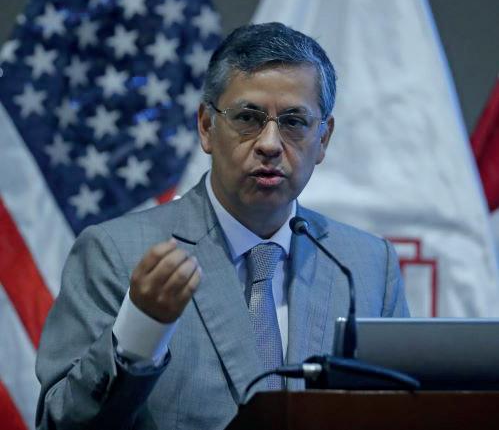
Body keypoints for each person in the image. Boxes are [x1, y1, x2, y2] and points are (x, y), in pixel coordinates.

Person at [36, 22, 409, 430]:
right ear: (206, 126)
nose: (269, 144)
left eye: (293, 122)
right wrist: (140, 328)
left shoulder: (367, 265)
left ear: (323, 139)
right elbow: (60, 421)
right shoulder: (115, 253)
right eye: (248, 117)